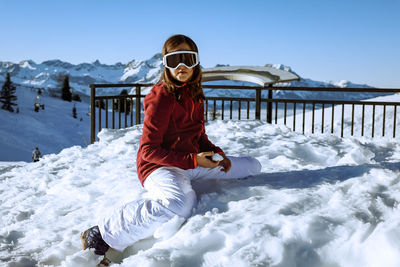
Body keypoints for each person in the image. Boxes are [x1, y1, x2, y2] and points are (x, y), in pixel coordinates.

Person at [80, 34, 262, 257]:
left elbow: (199, 136)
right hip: (157, 166)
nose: (182, 66)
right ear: (166, 64)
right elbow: (148, 150)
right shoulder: (161, 98)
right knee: (180, 204)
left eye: (188, 58)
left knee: (252, 166)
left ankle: (187, 178)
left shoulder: (194, 94)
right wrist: (194, 160)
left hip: (189, 161)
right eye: (175, 60)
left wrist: (218, 155)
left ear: (196, 63)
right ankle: (102, 232)